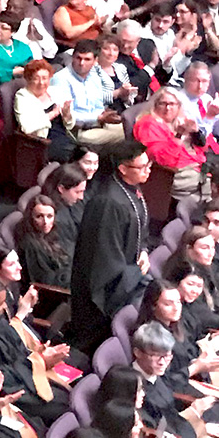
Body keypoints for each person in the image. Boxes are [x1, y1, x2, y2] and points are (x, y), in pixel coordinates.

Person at [70, 141, 152, 351]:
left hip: (129, 271)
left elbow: (141, 230)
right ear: (123, 169)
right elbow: (103, 259)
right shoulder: (108, 203)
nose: (148, 170)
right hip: (106, 289)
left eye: (148, 164)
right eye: (142, 167)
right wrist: (134, 274)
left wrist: (143, 251)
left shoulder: (132, 190)